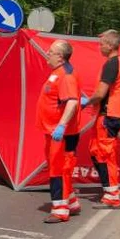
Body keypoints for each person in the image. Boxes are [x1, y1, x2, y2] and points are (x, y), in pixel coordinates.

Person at [36, 40, 81, 223]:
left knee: (58, 170)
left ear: (60, 57)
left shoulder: (66, 75)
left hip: (61, 134)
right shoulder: (59, 72)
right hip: (55, 131)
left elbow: (71, 101)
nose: (47, 53)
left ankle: (60, 210)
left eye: (51, 51)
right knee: (63, 168)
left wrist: (61, 125)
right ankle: (71, 202)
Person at [84, 30, 120, 209]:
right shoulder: (117, 63)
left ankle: (113, 195)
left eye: (102, 44)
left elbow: (101, 93)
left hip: (109, 116)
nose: (99, 47)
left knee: (105, 154)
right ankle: (110, 189)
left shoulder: (111, 64)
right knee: (96, 151)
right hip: (109, 115)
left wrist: (86, 102)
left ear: (110, 46)